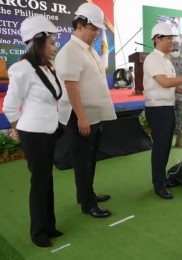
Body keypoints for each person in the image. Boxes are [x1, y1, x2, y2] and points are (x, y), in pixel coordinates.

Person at [2, 16, 70, 247]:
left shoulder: (49, 67)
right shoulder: (21, 69)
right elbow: (10, 106)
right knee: (40, 181)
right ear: (38, 42)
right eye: (51, 42)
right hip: (32, 133)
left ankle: (49, 225)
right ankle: (38, 232)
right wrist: (17, 129)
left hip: (49, 131)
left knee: (46, 179)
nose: (54, 46)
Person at [54, 3, 116, 218]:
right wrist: (82, 117)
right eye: (93, 29)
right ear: (79, 26)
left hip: (92, 115)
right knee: (82, 161)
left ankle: (86, 194)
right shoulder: (71, 51)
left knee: (90, 159)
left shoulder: (88, 50)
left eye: (98, 29)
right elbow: (70, 86)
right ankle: (88, 204)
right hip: (79, 116)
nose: (96, 33)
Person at [143, 22, 182, 199]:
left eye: (172, 38)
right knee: (160, 147)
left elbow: (170, 84)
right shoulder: (152, 59)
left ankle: (161, 179)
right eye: (168, 38)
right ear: (157, 39)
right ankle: (158, 184)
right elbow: (165, 82)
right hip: (157, 109)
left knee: (165, 146)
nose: (171, 41)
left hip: (167, 107)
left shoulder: (166, 60)